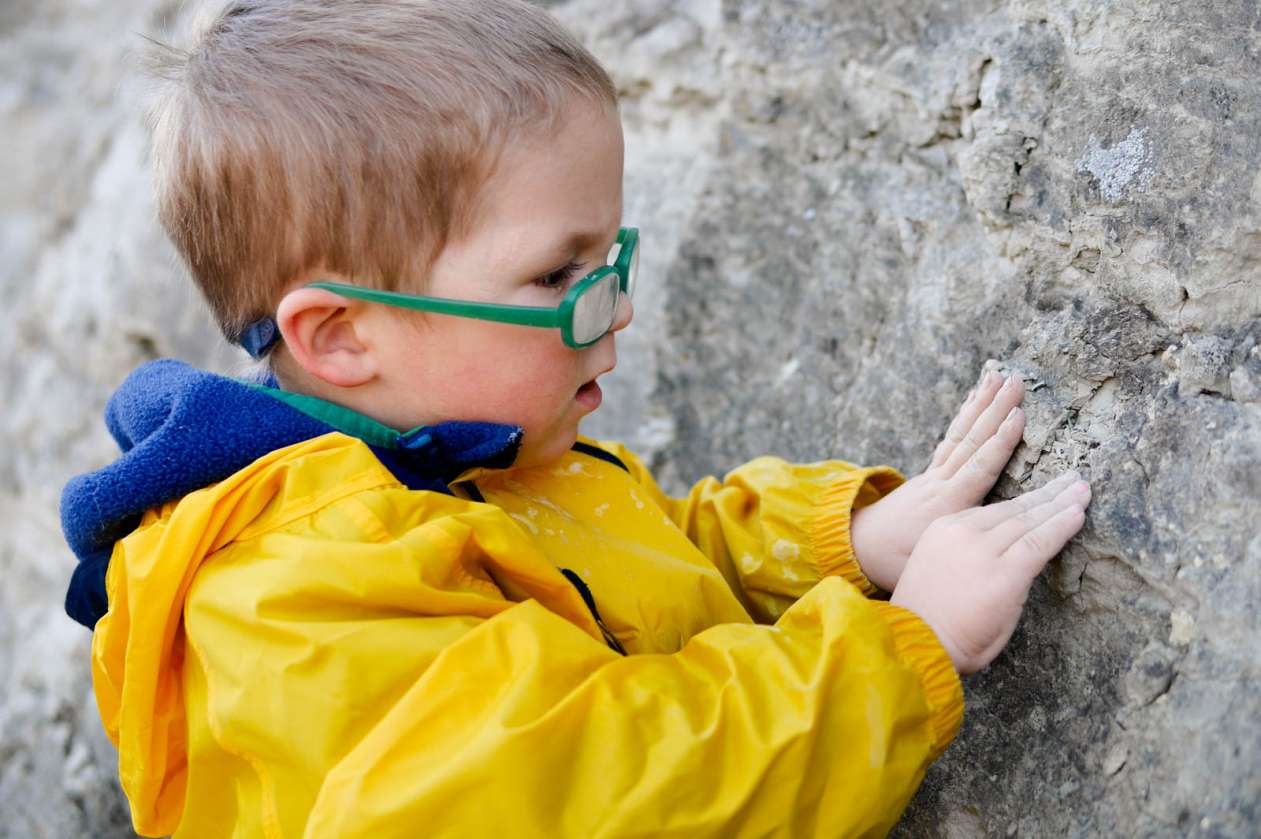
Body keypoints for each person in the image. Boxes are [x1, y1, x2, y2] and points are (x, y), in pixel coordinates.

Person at [59, 1, 1092, 836]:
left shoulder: (458, 454)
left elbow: (633, 563)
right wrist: (906, 643)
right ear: (338, 337)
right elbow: (609, 791)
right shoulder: (299, 594)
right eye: (559, 273)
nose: (617, 305)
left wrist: (852, 538)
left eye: (607, 260)